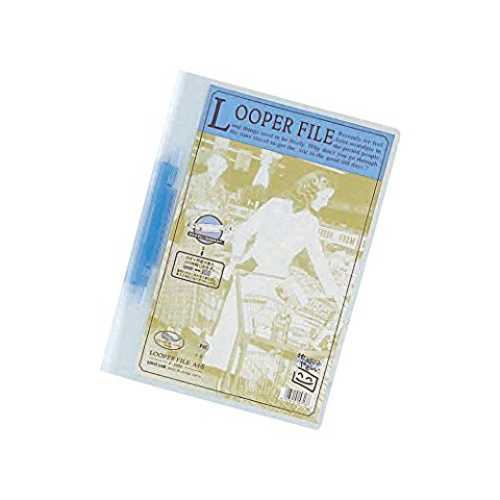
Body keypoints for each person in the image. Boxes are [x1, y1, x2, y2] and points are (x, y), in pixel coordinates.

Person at [203, 171, 340, 376]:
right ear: (311, 192)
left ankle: (233, 371)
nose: (326, 203)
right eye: (324, 197)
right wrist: (236, 260)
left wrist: (334, 292)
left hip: (266, 277)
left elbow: (318, 259)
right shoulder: (281, 208)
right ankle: (225, 368)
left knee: (251, 324)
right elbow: (243, 232)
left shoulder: (308, 220)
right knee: (242, 322)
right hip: (256, 273)